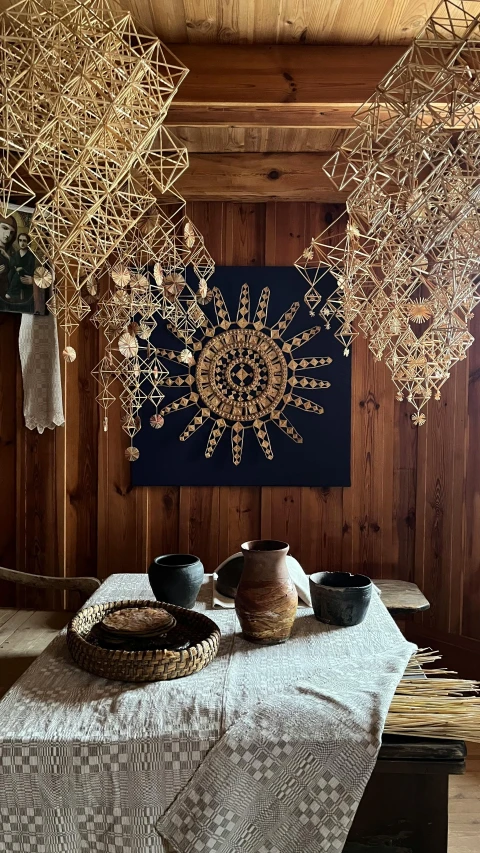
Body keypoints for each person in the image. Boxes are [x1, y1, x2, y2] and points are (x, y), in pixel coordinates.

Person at [6, 232, 36, 303]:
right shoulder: (15, 254)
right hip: (15, 276)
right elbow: (12, 264)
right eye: (20, 240)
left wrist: (22, 268)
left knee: (17, 273)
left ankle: (11, 293)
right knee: (11, 273)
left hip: (25, 276)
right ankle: (11, 292)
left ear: (28, 242)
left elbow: (30, 269)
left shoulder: (30, 256)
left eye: (24, 241)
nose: (22, 243)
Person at [0, 215, 17, 302]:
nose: (7, 235)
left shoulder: (13, 252)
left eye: (11, 232)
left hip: (8, 296)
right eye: (4, 228)